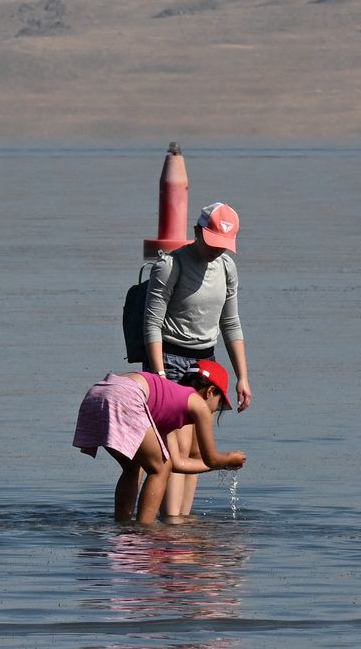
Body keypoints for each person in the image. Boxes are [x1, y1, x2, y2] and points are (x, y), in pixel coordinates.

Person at [142, 201, 251, 518]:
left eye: (224, 245)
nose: (218, 251)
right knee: (174, 450)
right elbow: (151, 324)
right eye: (213, 242)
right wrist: (160, 377)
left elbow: (230, 323)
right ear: (197, 232)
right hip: (169, 359)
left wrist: (242, 376)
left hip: (206, 362)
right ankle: (171, 522)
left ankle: (183, 521)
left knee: (195, 448)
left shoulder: (227, 268)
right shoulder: (169, 265)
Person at [73, 359, 248, 524]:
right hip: (125, 396)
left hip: (98, 394)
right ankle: (145, 530)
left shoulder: (167, 398)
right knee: (160, 468)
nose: (214, 411)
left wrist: (221, 465)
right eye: (218, 405)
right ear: (210, 392)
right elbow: (211, 459)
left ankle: (122, 525)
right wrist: (227, 459)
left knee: (133, 468)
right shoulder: (199, 405)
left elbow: (177, 464)